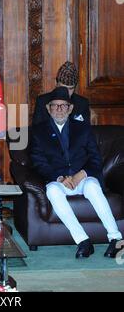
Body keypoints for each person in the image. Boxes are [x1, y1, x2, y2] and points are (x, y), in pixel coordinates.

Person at [30, 86, 122, 258]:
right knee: (52, 190)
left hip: (83, 179)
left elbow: (95, 159)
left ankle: (116, 238)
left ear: (70, 108)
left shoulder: (83, 128)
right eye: (55, 106)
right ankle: (83, 241)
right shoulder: (38, 132)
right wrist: (59, 177)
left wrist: (82, 174)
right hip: (59, 181)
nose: (59, 109)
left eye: (63, 105)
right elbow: (38, 162)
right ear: (48, 109)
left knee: (93, 187)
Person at [32, 61, 90, 125]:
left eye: (70, 88)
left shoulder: (82, 103)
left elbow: (86, 132)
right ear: (56, 84)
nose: (66, 92)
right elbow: (36, 131)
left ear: (75, 87)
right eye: (63, 87)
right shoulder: (42, 101)